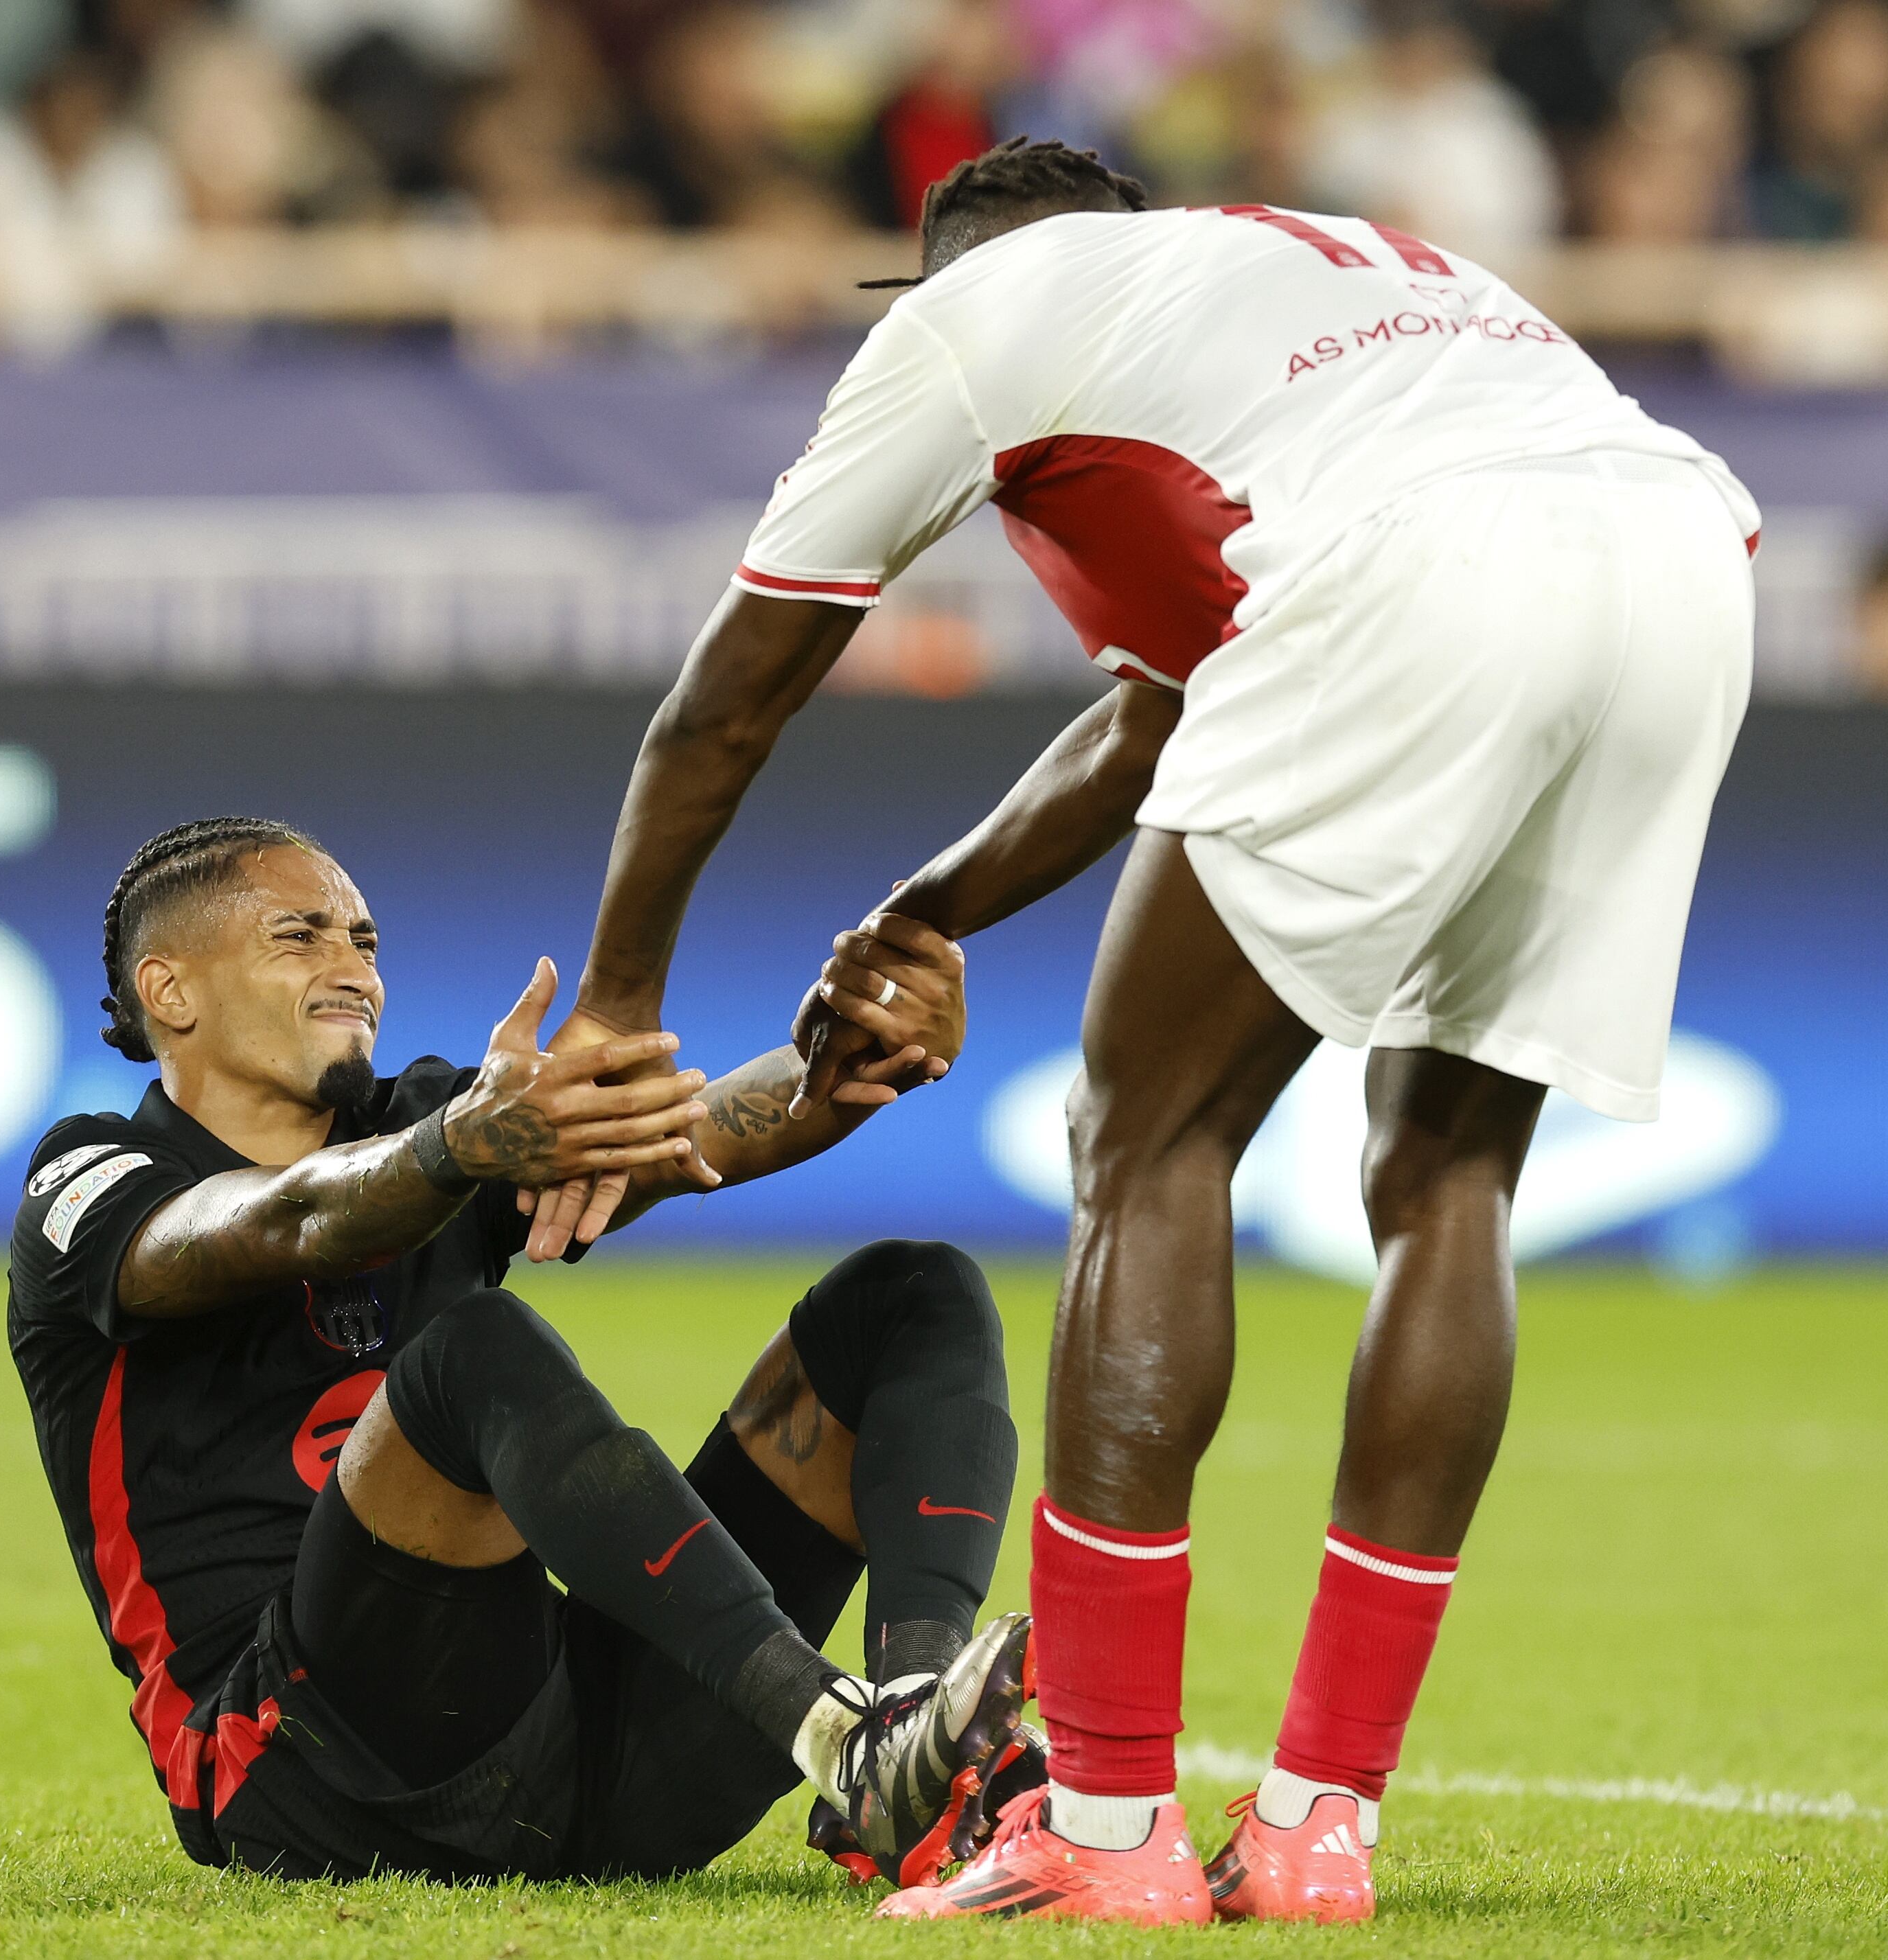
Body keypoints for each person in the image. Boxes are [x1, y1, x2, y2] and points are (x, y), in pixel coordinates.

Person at [545, 140, 1760, 1923]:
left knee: (1147, 1142)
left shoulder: (974, 316)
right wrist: (927, 911)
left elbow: (722, 710)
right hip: (1681, 562)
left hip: (1424, 571)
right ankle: (1313, 1829)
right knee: (1448, 1183)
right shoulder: (1305, 269)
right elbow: (1157, 723)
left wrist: (620, 1014)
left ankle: (1100, 1832)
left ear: (947, 269)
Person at [6, 816, 1037, 1892]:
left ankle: (922, 1754)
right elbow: (278, 1225)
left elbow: (693, 1132)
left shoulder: (426, 1123)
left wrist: (849, 1045)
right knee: (471, 1351)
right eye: (299, 936)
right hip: (308, 1771)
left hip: (586, 1751)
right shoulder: (89, 1182)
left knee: (913, 1294)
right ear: (172, 991)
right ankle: (842, 1742)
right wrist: (450, 1152)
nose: (353, 967)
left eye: (363, 940)